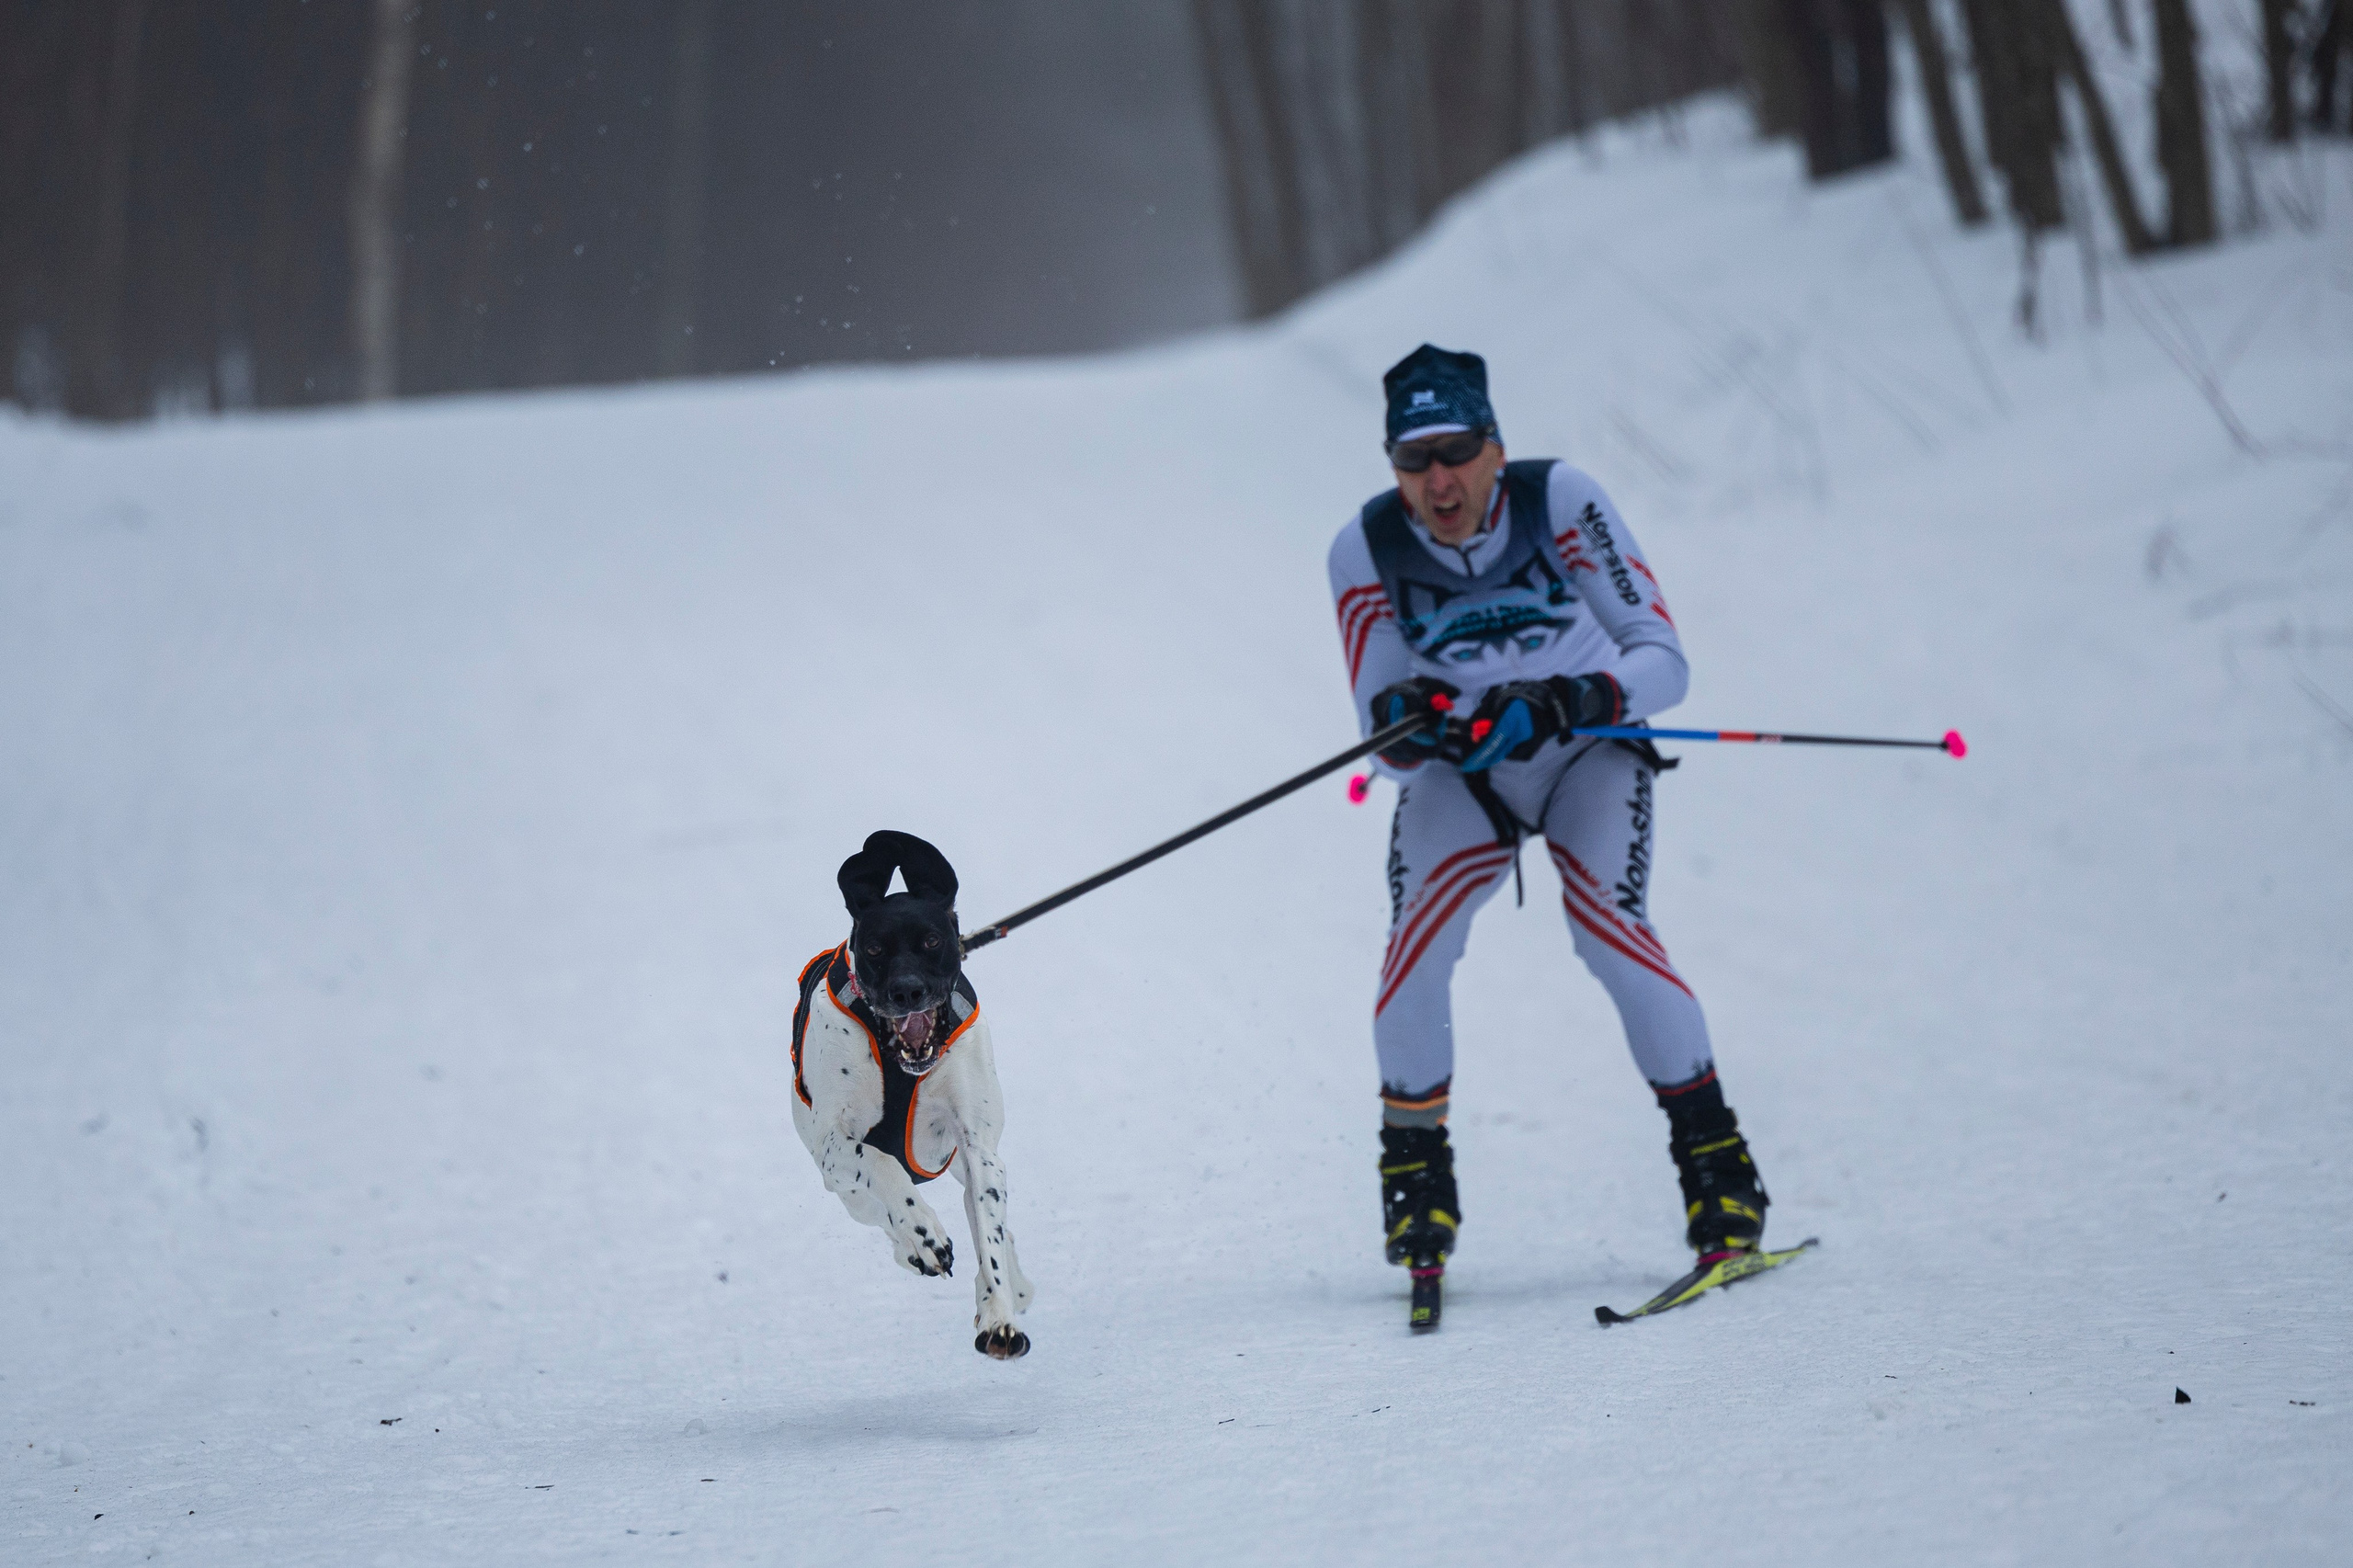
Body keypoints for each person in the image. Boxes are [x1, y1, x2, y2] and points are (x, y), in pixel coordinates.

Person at [1328, 343, 1769, 1286]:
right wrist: (1408, 724)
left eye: (1455, 451)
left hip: (1585, 753)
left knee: (1609, 930)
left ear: (1494, 446)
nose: (1438, 479)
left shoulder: (1560, 498)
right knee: (1415, 945)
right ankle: (1415, 1184)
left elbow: (1664, 660)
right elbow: (1382, 733)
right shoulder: (1362, 546)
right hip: (1467, 775)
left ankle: (1719, 1176)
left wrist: (1569, 697)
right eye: (1413, 461)